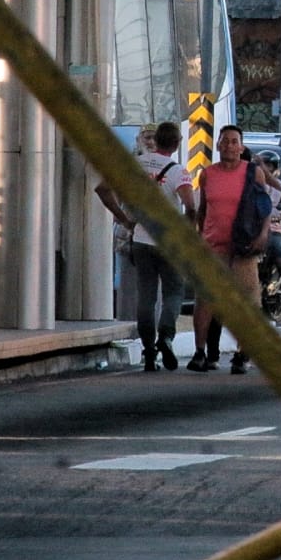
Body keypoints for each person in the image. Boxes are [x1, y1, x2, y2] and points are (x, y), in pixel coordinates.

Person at [94, 121, 195, 372]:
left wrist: (125, 219)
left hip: (140, 239)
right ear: (177, 143)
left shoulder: (134, 164)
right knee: (173, 292)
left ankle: (149, 352)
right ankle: (167, 337)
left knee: (147, 296)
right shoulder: (178, 171)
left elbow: (103, 189)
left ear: (156, 140)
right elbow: (191, 207)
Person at [192, 125, 271, 374]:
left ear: (242, 147)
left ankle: (242, 353)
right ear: (217, 145)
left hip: (243, 248)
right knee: (205, 300)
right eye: (225, 141)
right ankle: (200, 352)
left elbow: (264, 208)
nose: (229, 146)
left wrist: (262, 235)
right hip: (213, 247)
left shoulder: (253, 173)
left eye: (234, 141)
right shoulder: (207, 174)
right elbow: (203, 209)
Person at [256, 150, 281, 322]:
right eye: (262, 165)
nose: (265, 169)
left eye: (269, 166)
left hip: (276, 232)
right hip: (255, 233)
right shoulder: (252, 185)